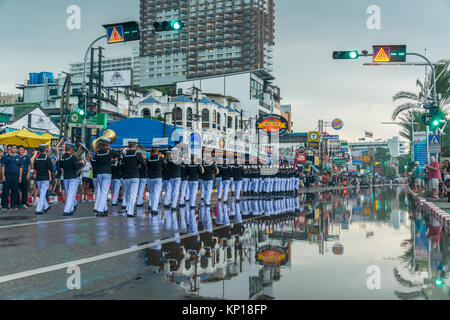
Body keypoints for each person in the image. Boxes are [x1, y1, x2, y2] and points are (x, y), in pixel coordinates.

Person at [92, 137, 117, 217]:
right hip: (107, 173)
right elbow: (117, 154)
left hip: (99, 173)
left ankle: (104, 209)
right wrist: (111, 149)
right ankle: (100, 210)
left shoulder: (97, 152)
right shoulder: (109, 152)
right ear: (108, 144)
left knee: (103, 191)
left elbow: (93, 160)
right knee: (104, 192)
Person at [58, 142, 83, 216]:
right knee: (71, 194)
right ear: (71, 149)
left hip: (65, 177)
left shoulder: (62, 157)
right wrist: (80, 163)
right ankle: (67, 210)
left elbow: (60, 166)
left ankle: (71, 209)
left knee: (68, 193)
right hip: (73, 177)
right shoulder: (73, 157)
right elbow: (76, 167)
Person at [122, 140, 145, 217]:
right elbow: (143, 164)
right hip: (135, 176)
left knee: (127, 194)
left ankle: (128, 208)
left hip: (127, 176)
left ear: (128, 145)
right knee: (133, 194)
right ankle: (130, 212)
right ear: (135, 145)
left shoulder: (125, 154)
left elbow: (123, 165)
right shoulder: (137, 154)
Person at [1, 145, 23, 211]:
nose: (13, 149)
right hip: (7, 176)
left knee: (15, 191)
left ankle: (13, 205)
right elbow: (3, 166)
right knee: (5, 191)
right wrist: (3, 176)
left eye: (14, 148)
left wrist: (20, 176)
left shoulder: (18, 158)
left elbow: (20, 167)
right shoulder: (6, 157)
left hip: (15, 176)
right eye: (12, 148)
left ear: (16, 149)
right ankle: (4, 205)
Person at [33, 144, 53, 215]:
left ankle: (46, 206)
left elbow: (35, 167)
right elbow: (51, 168)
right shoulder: (47, 158)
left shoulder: (36, 158)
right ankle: (38, 209)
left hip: (38, 178)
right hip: (45, 178)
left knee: (41, 193)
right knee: (42, 193)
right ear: (45, 150)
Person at [146, 146, 164, 216]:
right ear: (158, 150)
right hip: (158, 177)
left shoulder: (148, 159)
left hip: (150, 177)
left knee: (152, 193)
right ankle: (154, 209)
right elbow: (164, 167)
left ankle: (151, 205)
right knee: (156, 193)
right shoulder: (161, 159)